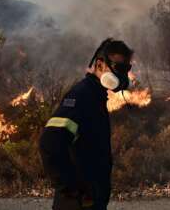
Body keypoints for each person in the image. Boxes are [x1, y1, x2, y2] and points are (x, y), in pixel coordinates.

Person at [39, 38, 133, 210]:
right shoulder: (81, 96)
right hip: (77, 205)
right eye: (119, 68)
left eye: (126, 69)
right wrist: (73, 190)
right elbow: (49, 143)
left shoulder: (96, 96)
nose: (123, 76)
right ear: (99, 65)